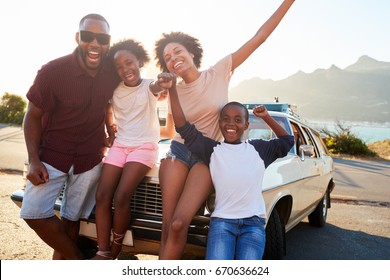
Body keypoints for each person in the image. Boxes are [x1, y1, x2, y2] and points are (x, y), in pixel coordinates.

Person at [154, 0, 296, 259]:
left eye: (177, 51)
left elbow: (259, 38)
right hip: (179, 151)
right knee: (167, 226)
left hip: (209, 156)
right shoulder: (171, 89)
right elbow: (174, 128)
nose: (174, 59)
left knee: (179, 223)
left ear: (191, 52)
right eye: (167, 58)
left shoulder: (218, 72)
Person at [20, 13, 120, 260]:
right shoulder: (52, 72)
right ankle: (77, 260)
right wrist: (33, 159)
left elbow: (112, 100)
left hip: (90, 159)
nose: (95, 44)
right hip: (52, 156)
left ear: (108, 42)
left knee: (72, 220)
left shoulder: (113, 72)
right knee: (33, 213)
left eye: (102, 38)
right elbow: (32, 116)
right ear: (78, 38)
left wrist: (109, 126)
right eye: (88, 37)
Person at [166, 74, 294, 259]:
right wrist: (172, 89)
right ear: (220, 123)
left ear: (246, 125)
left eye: (237, 120)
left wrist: (266, 117)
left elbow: (287, 141)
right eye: (225, 119)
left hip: (253, 225)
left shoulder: (258, 149)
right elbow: (183, 127)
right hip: (222, 224)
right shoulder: (212, 150)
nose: (231, 124)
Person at [91, 39, 169, 260]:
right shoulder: (114, 90)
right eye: (119, 66)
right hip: (120, 145)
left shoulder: (149, 86)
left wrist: (163, 80)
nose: (126, 69)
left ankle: (115, 250)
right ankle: (102, 250)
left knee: (122, 196)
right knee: (102, 195)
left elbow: (157, 86)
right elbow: (107, 107)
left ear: (139, 61)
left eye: (129, 63)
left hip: (144, 147)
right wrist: (109, 130)